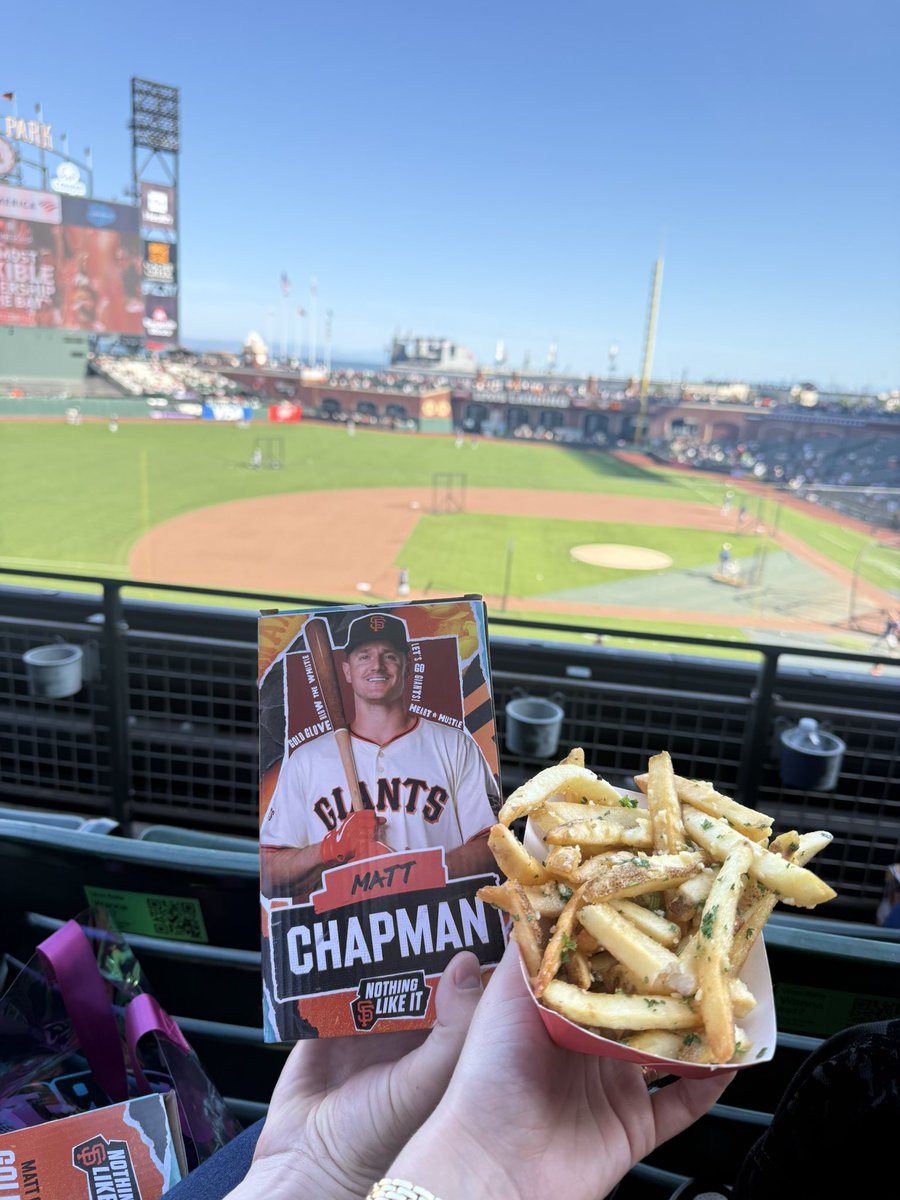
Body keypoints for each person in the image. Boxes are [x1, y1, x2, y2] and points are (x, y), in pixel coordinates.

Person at [260, 612, 499, 899]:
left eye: (389, 656)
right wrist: (330, 848)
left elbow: (494, 847)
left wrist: (406, 872)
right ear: (346, 671)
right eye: (364, 656)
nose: (377, 665)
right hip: (341, 934)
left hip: (436, 929)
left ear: (407, 666)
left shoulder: (455, 745)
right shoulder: (305, 760)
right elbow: (268, 875)